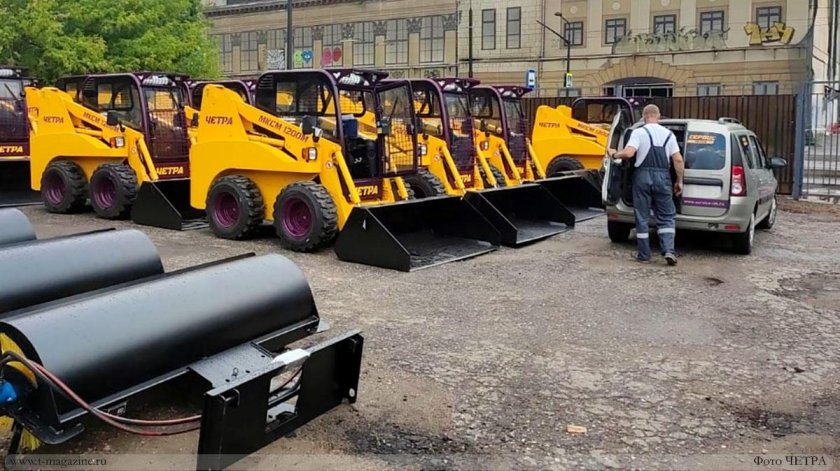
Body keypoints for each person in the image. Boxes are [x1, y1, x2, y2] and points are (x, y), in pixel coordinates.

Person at [608, 104, 685, 266]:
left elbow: (629, 153)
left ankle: (644, 255)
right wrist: (679, 181)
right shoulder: (669, 134)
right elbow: (678, 160)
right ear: (659, 116)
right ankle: (669, 251)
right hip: (663, 177)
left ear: (643, 117)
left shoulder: (638, 132)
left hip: (642, 177)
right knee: (666, 216)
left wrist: (614, 154)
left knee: (642, 216)